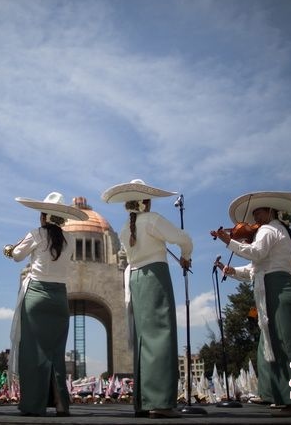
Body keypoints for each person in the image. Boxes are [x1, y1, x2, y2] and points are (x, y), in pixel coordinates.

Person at [211, 191, 291, 417]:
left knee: (287, 345)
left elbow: (256, 254)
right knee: (278, 344)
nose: (255, 218)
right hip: (273, 285)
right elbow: (256, 270)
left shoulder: (269, 230)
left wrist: (229, 241)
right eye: (254, 213)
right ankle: (287, 397)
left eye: (259, 212)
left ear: (270, 211)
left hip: (278, 287)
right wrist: (231, 270)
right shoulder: (275, 231)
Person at [101, 179, 192, 419]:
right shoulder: (153, 220)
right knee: (161, 334)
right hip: (155, 277)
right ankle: (161, 403)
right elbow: (184, 239)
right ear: (147, 202)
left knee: (144, 338)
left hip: (135, 279)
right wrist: (186, 256)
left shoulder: (123, 228)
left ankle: (143, 401)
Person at [3, 192, 88, 417]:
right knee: (56, 353)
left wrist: (10, 248)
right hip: (60, 298)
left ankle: (33, 405)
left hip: (36, 296)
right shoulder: (70, 240)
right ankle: (61, 404)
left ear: (43, 217)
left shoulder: (36, 234)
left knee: (33, 353)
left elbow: (16, 256)